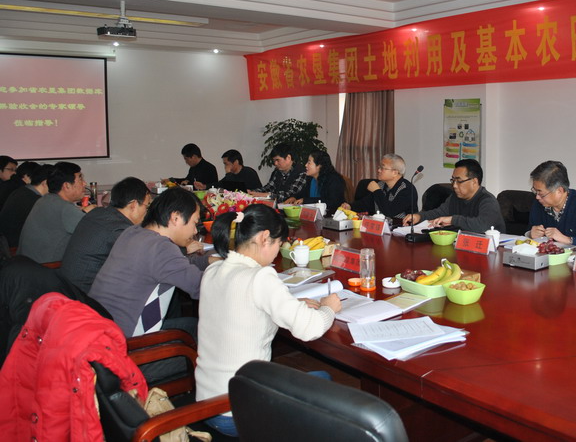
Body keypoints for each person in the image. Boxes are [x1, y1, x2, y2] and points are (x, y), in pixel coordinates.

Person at [195, 204, 341, 436]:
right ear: (264, 238)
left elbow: (245, 305)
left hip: (205, 404)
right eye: (278, 244)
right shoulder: (260, 277)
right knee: (324, 380)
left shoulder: (213, 271)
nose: (277, 253)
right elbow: (310, 328)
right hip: (238, 411)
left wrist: (293, 303)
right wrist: (328, 308)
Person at [89, 186, 216, 338]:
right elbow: (202, 287)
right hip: (128, 342)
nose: (195, 231)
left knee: (189, 324)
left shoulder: (133, 232)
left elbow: (175, 265)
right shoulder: (161, 248)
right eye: (194, 223)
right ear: (175, 218)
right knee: (204, 329)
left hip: (101, 330)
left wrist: (208, 260)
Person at [59, 177, 152, 293]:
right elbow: (144, 262)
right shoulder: (120, 230)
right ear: (133, 205)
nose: (147, 212)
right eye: (147, 206)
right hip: (85, 295)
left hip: (66, 287)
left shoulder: (97, 213)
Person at [17, 162, 95, 263]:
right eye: (80, 179)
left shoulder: (45, 199)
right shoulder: (65, 208)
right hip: (47, 267)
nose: (84, 183)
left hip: (25, 264)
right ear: (67, 185)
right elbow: (94, 232)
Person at [403, 159, 505, 233]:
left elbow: (482, 225)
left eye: (459, 181)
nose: (454, 185)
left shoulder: (488, 201)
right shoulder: (455, 197)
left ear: (474, 182)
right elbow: (439, 213)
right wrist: (419, 216)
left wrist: (452, 220)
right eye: (453, 180)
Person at [342, 154, 418, 220]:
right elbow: (366, 203)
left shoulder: (407, 189)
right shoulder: (381, 184)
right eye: (379, 167)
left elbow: (390, 211)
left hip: (402, 229)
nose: (378, 170)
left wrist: (377, 191)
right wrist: (350, 206)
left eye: (382, 168)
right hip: (382, 227)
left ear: (395, 173)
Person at [0, 164, 53, 249]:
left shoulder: (22, 191)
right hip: (15, 248)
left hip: (8, 245)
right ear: (45, 183)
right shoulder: (36, 201)